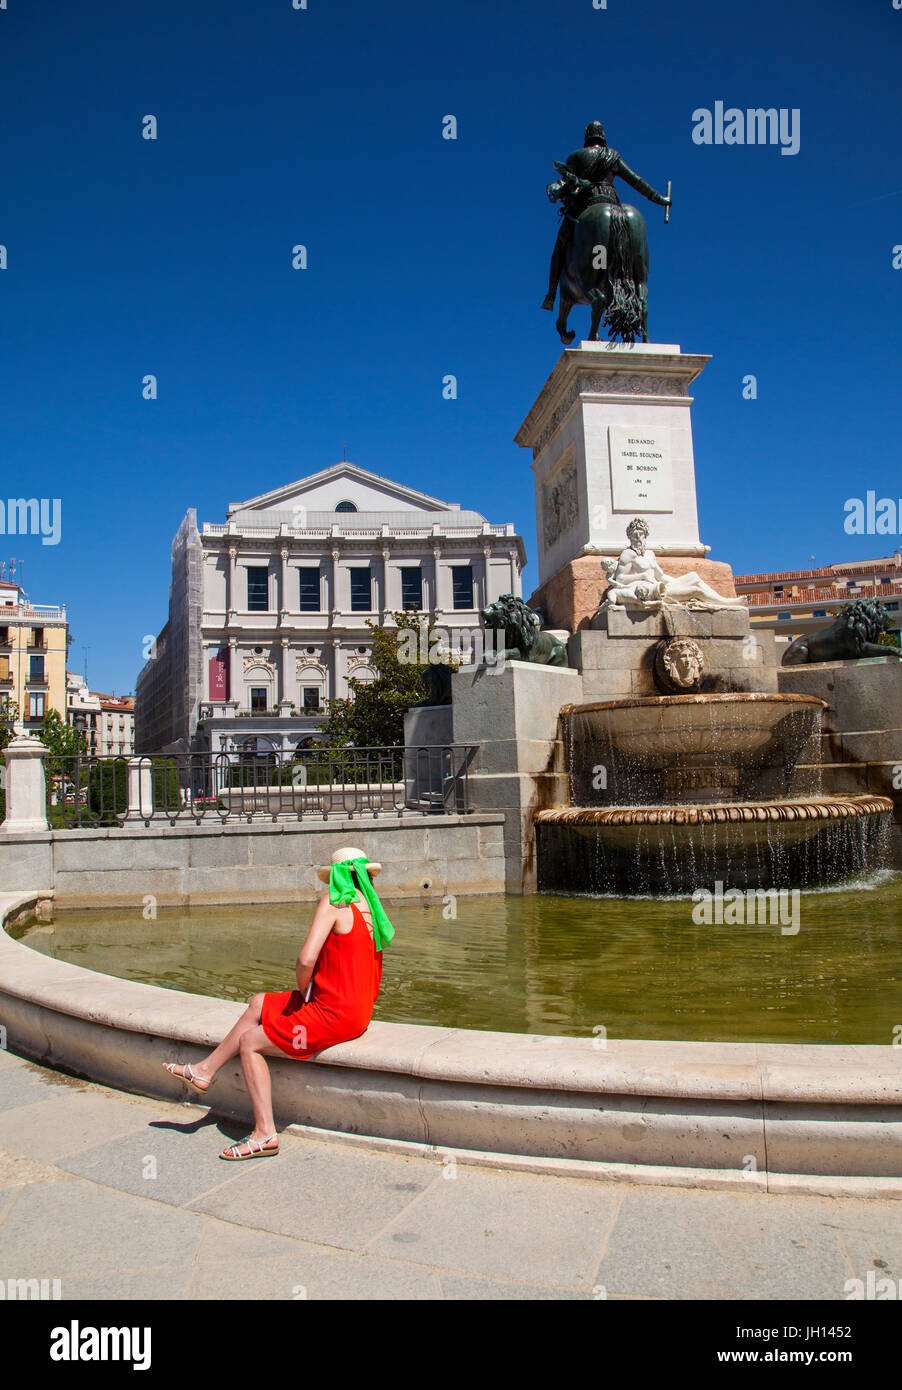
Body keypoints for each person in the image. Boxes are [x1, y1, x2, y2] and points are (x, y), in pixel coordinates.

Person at [163, 846, 392, 1160]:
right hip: (355, 1009)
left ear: (336, 877)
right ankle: (204, 1070)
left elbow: (305, 959)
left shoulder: (335, 902)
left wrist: (306, 991)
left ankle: (264, 1134)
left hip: (334, 1013)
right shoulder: (371, 907)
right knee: (259, 1003)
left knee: (250, 1043)